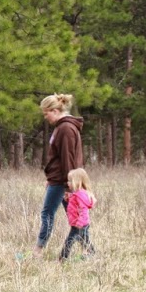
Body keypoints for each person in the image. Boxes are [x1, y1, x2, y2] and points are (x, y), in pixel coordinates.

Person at [35, 93, 82, 257]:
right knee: (75, 217)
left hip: (63, 181)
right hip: (59, 180)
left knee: (48, 213)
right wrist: (51, 178)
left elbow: (67, 158)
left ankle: (38, 251)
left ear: (55, 111)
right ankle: (89, 250)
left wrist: (69, 185)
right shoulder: (61, 127)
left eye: (46, 113)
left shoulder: (65, 129)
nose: (45, 117)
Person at [60, 167, 94, 261]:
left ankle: (63, 257)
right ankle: (91, 252)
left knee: (69, 240)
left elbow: (83, 210)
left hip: (79, 224)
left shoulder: (80, 195)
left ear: (77, 182)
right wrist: (69, 198)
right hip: (80, 224)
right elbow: (75, 205)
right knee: (85, 240)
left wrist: (79, 223)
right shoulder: (77, 194)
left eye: (70, 181)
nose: (68, 183)